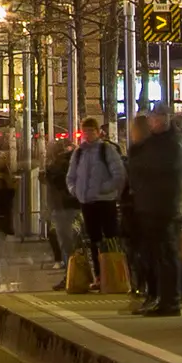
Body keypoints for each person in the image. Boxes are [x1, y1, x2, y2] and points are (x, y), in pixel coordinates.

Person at [126, 108, 182, 316]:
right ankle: (161, 298)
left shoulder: (172, 144)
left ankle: (170, 301)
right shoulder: (154, 144)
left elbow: (161, 169)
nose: (153, 122)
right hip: (151, 205)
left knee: (166, 254)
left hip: (164, 206)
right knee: (155, 254)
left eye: (157, 119)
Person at [63, 117, 128, 279]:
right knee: (93, 239)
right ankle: (99, 276)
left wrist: (103, 189)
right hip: (87, 202)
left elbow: (119, 174)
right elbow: (71, 176)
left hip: (105, 201)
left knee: (110, 237)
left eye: (91, 131)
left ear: (98, 132)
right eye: (85, 131)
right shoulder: (79, 153)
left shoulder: (106, 150)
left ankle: (115, 275)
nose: (88, 134)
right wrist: (76, 191)